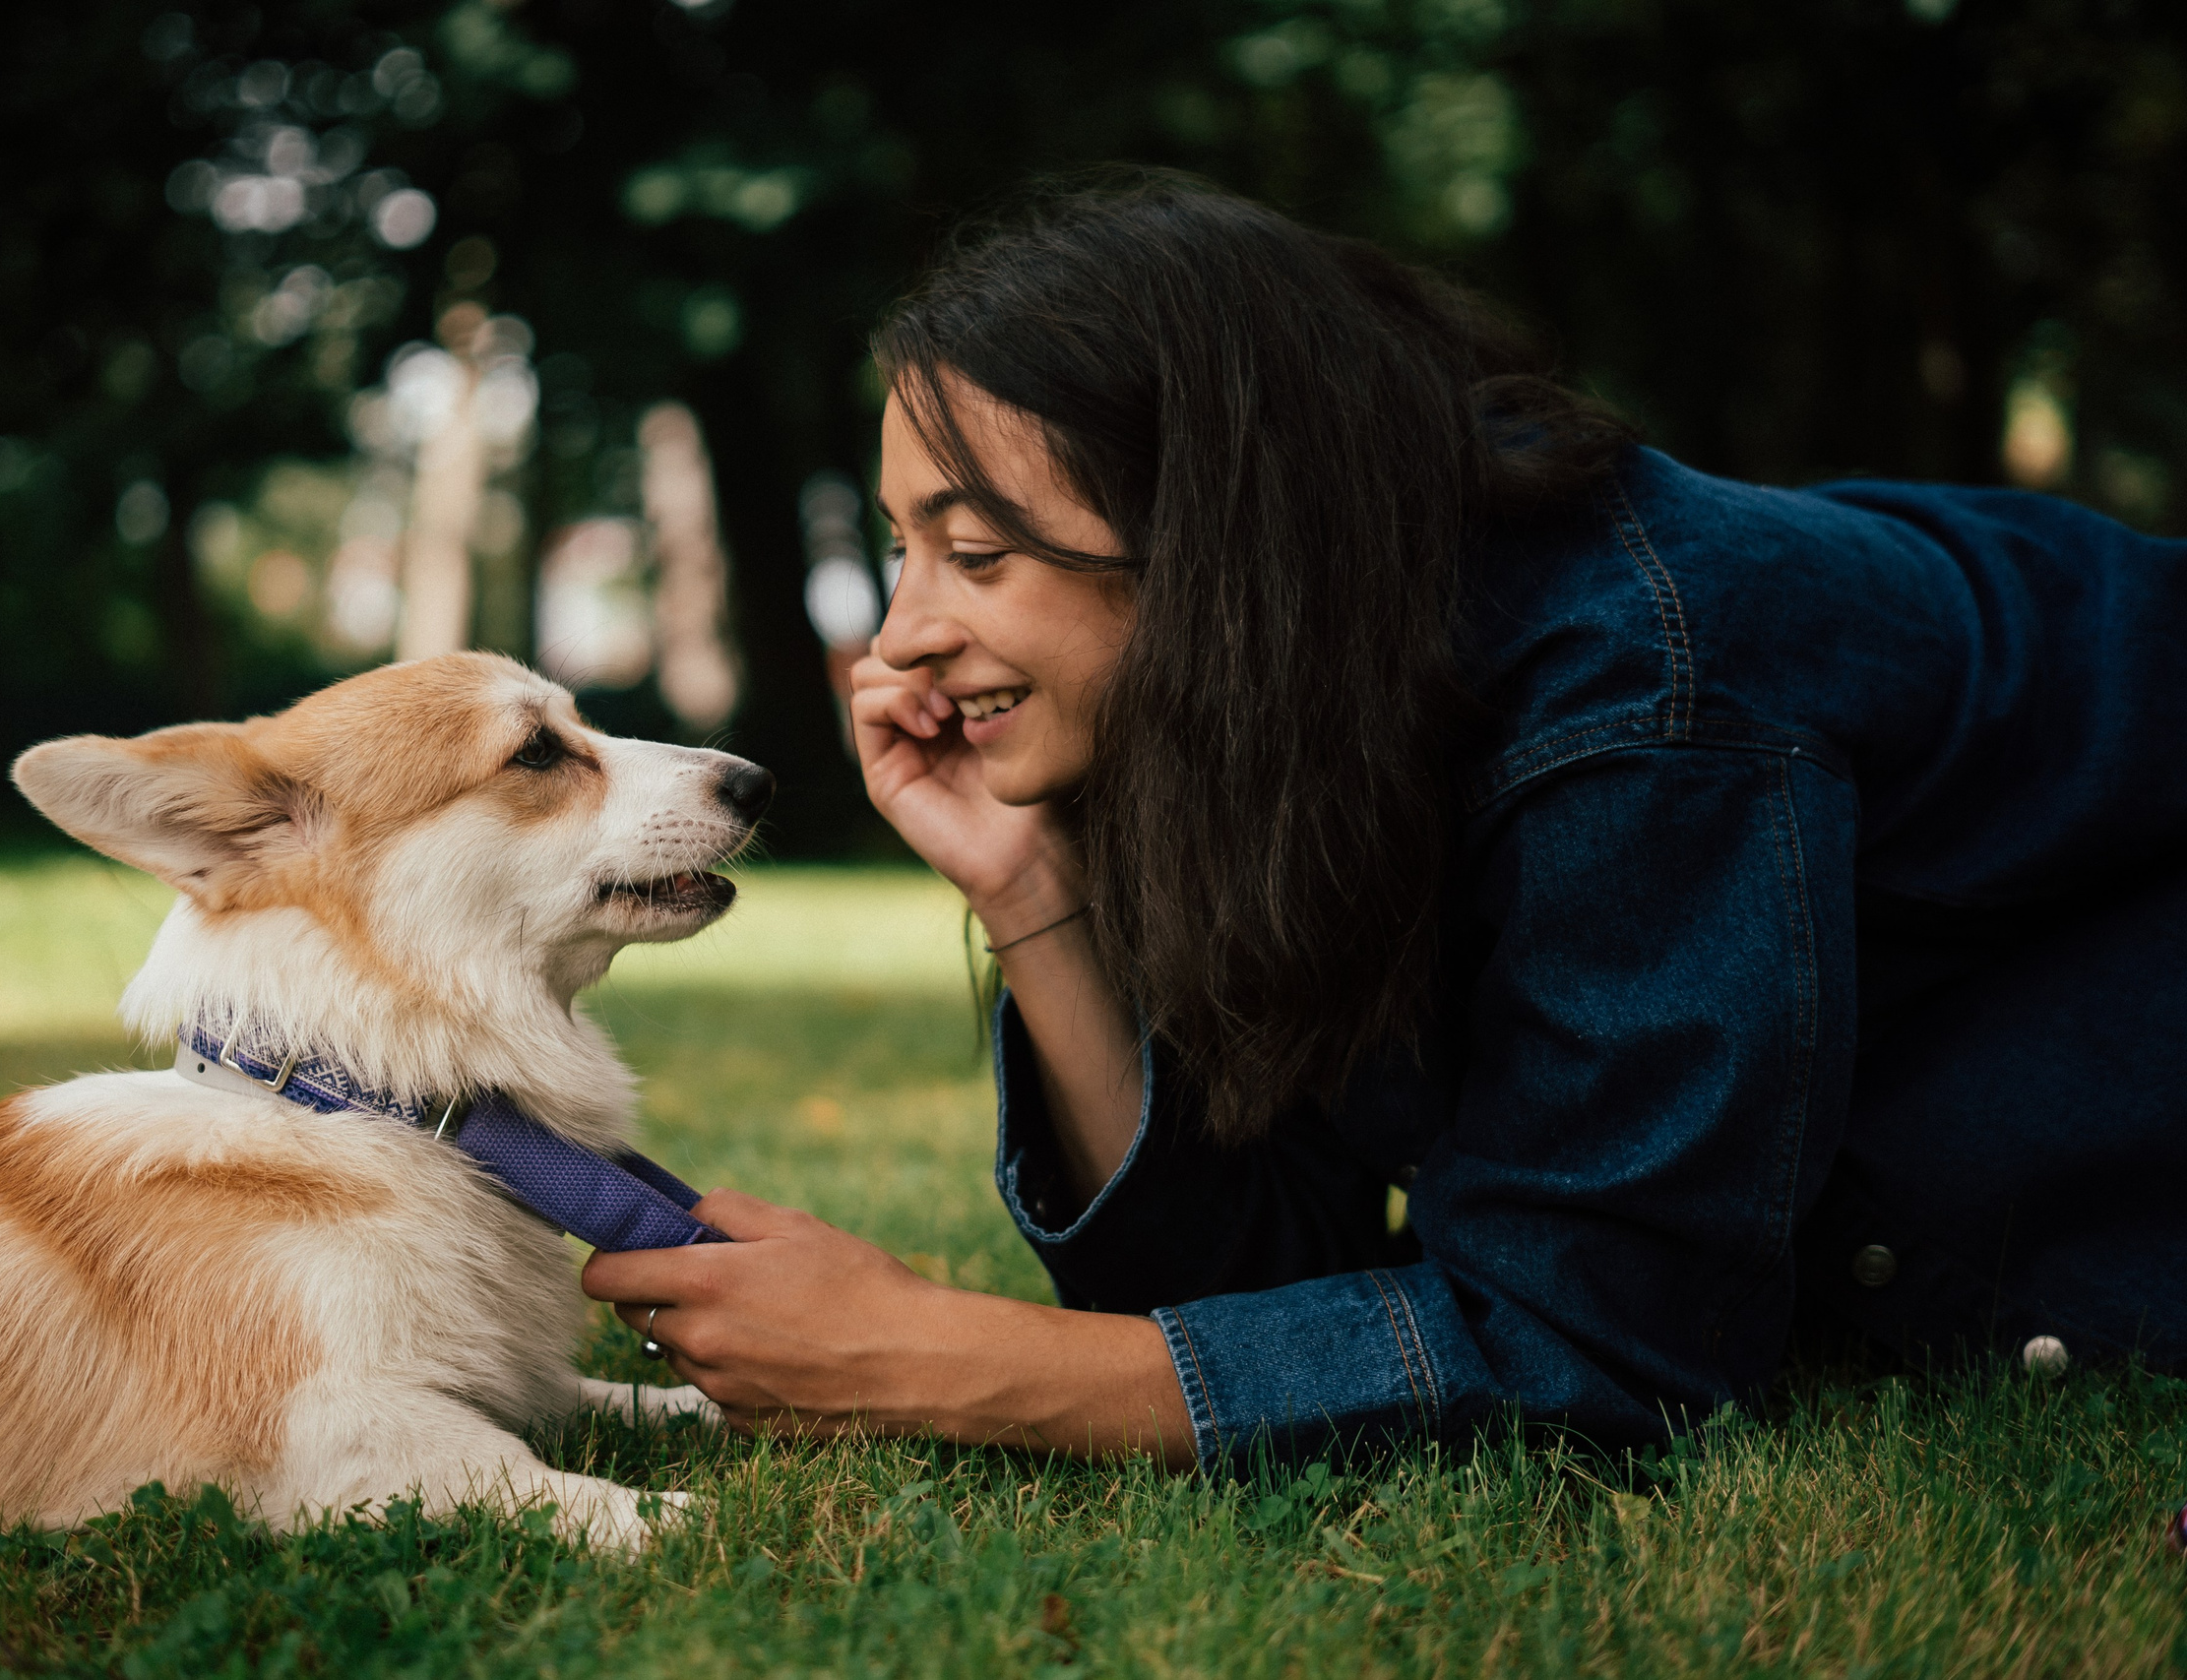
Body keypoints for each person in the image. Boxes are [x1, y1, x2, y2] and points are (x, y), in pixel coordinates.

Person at [584, 172, 2187, 1471]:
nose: (903, 637)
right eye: (904, 550)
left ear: (1215, 539)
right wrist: (1033, 894)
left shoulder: (1633, 695)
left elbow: (1601, 1354)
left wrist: (931, 1355)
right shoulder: (1280, 701)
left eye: (980, 555)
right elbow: (1253, 1293)